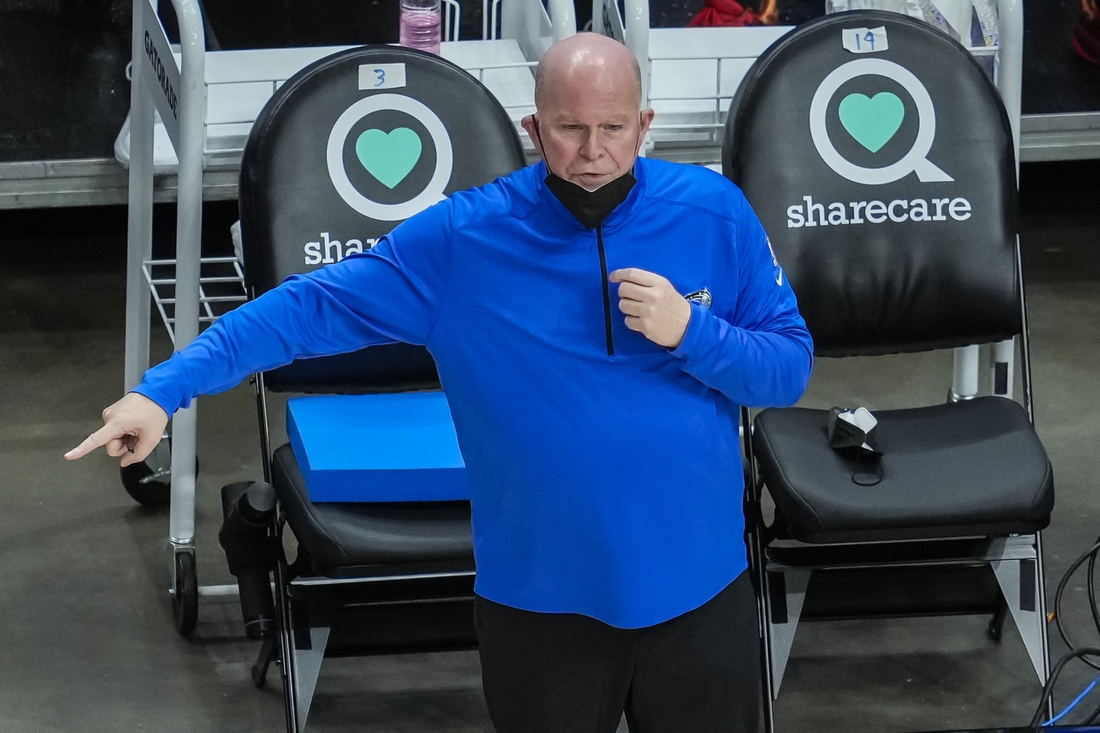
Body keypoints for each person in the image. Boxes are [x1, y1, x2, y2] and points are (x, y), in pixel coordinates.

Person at [67, 32, 813, 733]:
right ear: (533, 126)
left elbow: (786, 367)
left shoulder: (714, 213)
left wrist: (694, 331)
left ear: (645, 122)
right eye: (569, 129)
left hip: (702, 590)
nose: (592, 152)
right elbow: (305, 308)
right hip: (540, 602)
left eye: (614, 129)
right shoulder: (463, 241)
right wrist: (162, 389)